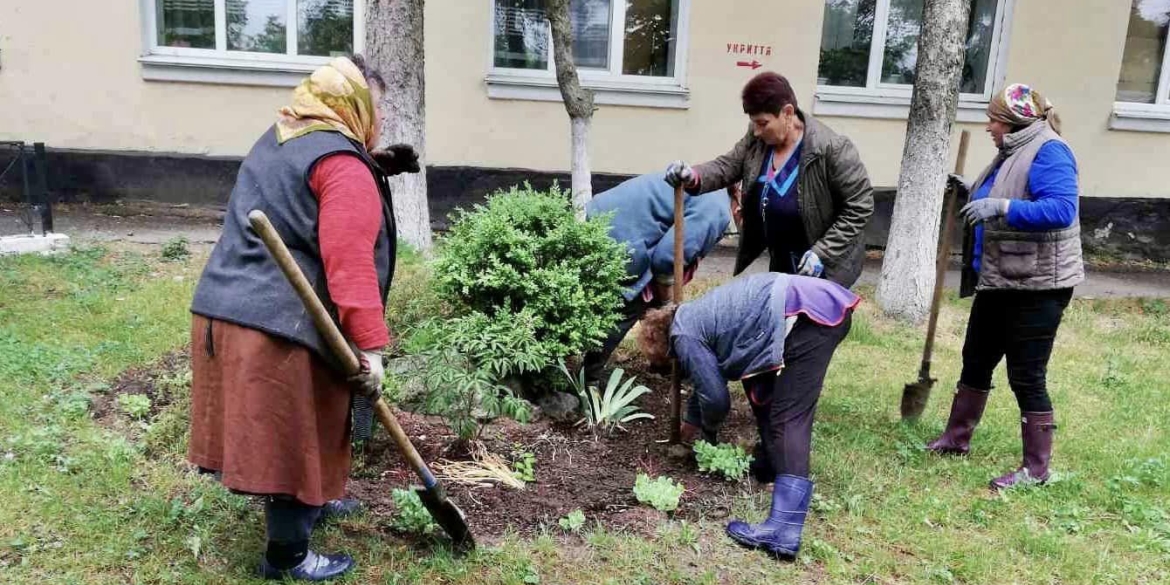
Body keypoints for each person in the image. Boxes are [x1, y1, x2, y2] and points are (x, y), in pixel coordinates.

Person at [186, 56, 420, 581]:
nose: (378, 116)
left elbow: (297, 191)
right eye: (374, 105)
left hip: (224, 310)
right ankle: (288, 558)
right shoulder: (341, 167)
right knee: (294, 437)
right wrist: (372, 350)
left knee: (316, 419)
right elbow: (350, 266)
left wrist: (370, 162)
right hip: (274, 326)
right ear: (350, 105)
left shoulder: (281, 137)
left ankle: (318, 497)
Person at [926, 83, 1083, 491]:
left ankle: (1036, 470)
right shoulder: (1012, 150)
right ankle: (956, 439)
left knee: (1027, 375)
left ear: (1012, 121)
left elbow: (1062, 209)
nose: (987, 126)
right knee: (975, 359)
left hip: (1037, 287)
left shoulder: (1049, 150)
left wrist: (1003, 207)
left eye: (993, 119)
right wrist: (969, 191)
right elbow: (1003, 192)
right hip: (1001, 279)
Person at [637, 272, 859, 559]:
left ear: (664, 347)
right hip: (811, 307)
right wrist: (689, 427)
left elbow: (715, 399)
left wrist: (708, 434)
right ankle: (769, 466)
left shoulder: (683, 335)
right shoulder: (692, 318)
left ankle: (784, 531)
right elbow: (704, 382)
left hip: (807, 315)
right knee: (765, 399)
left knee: (788, 416)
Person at [663, 71, 873, 288]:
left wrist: (823, 253)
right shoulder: (759, 140)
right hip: (782, 256)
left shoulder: (831, 149)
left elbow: (860, 206)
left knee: (814, 320)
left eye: (763, 123)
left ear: (787, 113)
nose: (756, 131)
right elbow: (729, 165)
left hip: (827, 263)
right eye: (754, 123)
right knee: (780, 315)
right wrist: (693, 175)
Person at [582, 172, 734, 383]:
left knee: (651, 301)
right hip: (617, 240)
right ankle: (589, 378)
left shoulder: (711, 190)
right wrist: (667, 304)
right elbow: (666, 260)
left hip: (600, 219)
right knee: (631, 305)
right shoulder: (716, 210)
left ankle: (659, 362)